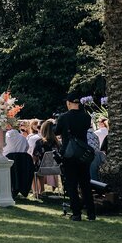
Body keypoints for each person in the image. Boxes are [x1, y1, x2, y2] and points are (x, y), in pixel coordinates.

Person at [55, 92, 96, 221]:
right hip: (83, 153)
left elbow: (56, 131)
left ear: (68, 103)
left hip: (70, 154)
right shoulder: (86, 117)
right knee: (85, 184)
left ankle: (77, 213)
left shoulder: (64, 117)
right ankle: (91, 213)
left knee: (72, 184)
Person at [32, 119, 60, 194]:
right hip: (56, 168)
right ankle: (42, 190)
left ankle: (37, 191)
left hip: (43, 168)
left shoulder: (40, 142)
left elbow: (35, 156)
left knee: (33, 169)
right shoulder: (57, 143)